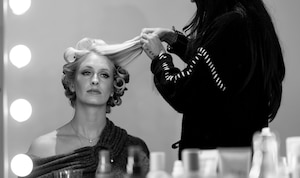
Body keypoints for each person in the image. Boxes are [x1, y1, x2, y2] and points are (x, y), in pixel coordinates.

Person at [140, 0, 285, 158]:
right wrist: (174, 39)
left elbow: (181, 91)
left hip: (216, 163)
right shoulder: (251, 21)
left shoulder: (230, 25)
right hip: (242, 157)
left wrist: (160, 57)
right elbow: (215, 68)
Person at [24, 37, 149, 178]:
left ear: (114, 87)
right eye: (86, 73)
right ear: (71, 83)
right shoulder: (42, 148)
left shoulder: (133, 149)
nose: (95, 80)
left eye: (104, 75)